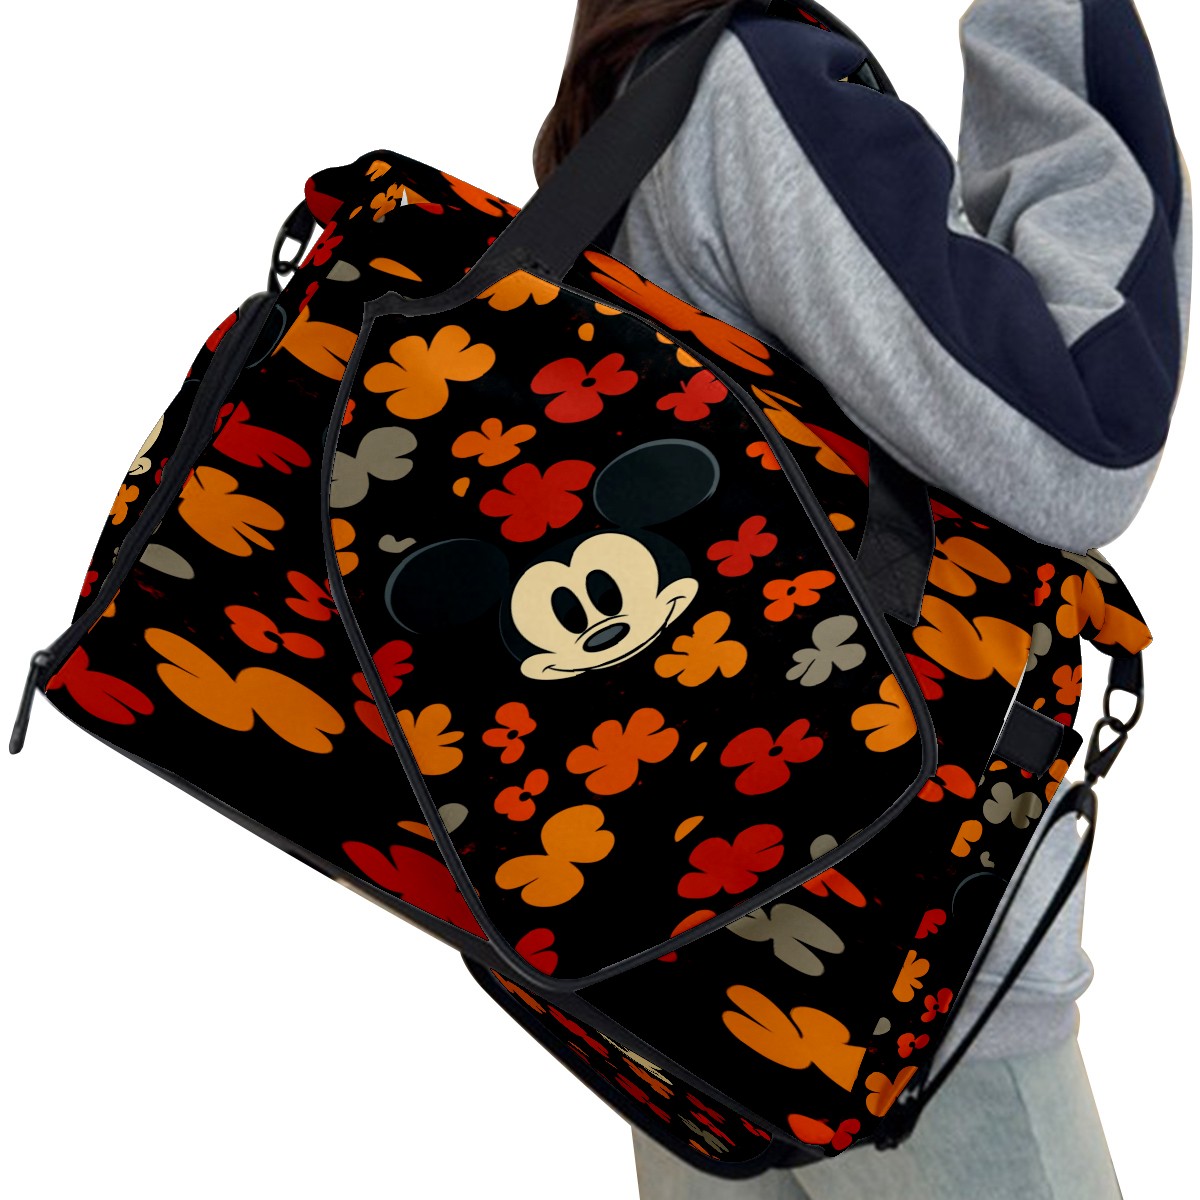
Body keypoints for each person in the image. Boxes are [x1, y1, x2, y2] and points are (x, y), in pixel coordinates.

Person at [532, 1, 1191, 1197]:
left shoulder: (617, 129)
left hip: (670, 963)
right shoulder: (755, 89)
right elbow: (1084, 434)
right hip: (899, 984)